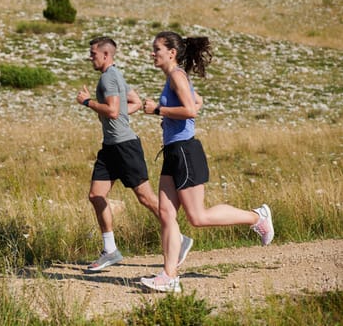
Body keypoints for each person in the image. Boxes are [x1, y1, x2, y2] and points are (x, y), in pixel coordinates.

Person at [140, 31, 274, 292]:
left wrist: (158, 110)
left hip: (185, 152)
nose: (152, 53)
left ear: (171, 52)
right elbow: (196, 102)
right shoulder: (174, 77)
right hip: (172, 151)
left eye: (156, 49)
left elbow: (190, 110)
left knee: (197, 217)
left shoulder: (177, 75)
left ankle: (256, 217)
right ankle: (169, 277)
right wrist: (168, 118)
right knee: (167, 213)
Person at [76, 36, 194, 272]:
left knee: (146, 198)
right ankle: (110, 249)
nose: (90, 57)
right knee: (95, 195)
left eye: (93, 54)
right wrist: (121, 115)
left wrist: (87, 102)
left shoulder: (110, 78)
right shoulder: (114, 75)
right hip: (110, 146)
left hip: (125, 146)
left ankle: (178, 238)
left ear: (106, 55)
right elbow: (136, 102)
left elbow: (111, 110)